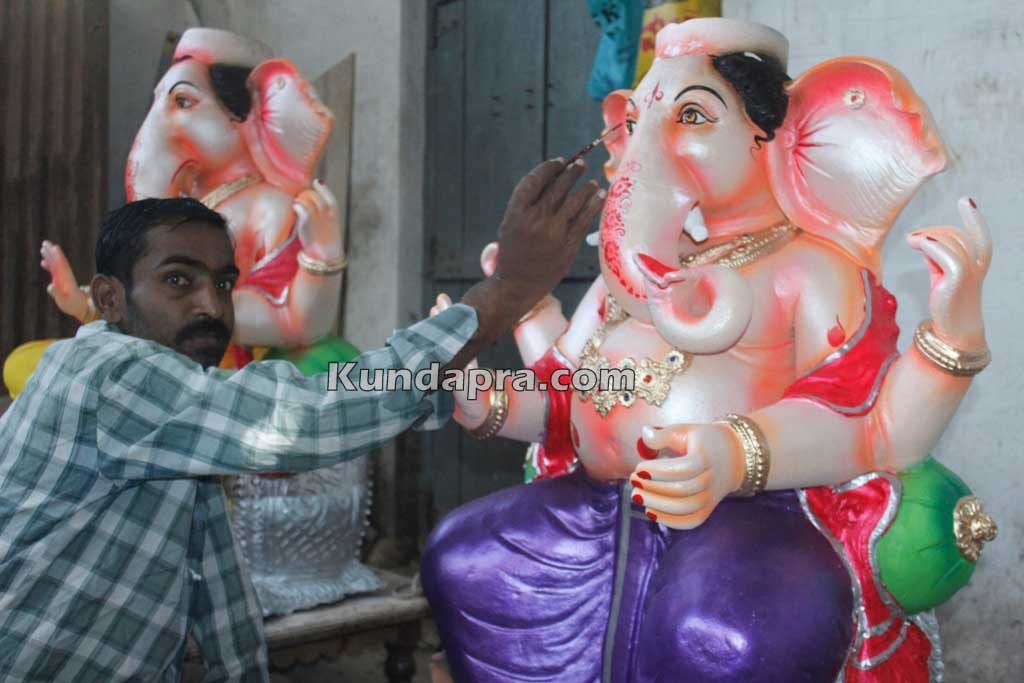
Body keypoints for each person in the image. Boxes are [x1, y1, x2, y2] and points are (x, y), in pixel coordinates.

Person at [0, 158, 604, 682]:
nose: (211, 306)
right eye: (178, 280)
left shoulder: (180, 412)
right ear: (108, 299)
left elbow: (217, 586)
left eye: (224, 283)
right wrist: (508, 289)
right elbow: (308, 419)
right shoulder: (113, 372)